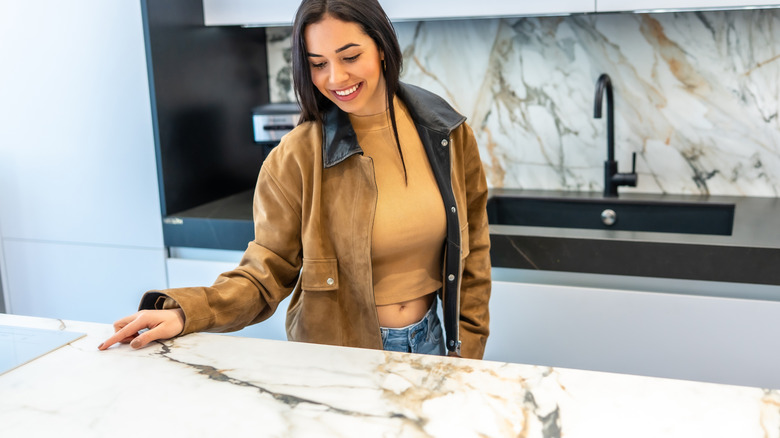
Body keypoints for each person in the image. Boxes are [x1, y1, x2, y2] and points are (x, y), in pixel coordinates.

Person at [98, 0, 491, 359]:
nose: (336, 77)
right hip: (336, 356)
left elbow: (473, 251)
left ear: (383, 47)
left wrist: (468, 351)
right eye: (318, 63)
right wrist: (188, 313)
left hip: (432, 343)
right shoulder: (295, 157)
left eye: (350, 56)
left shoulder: (447, 134)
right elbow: (264, 272)